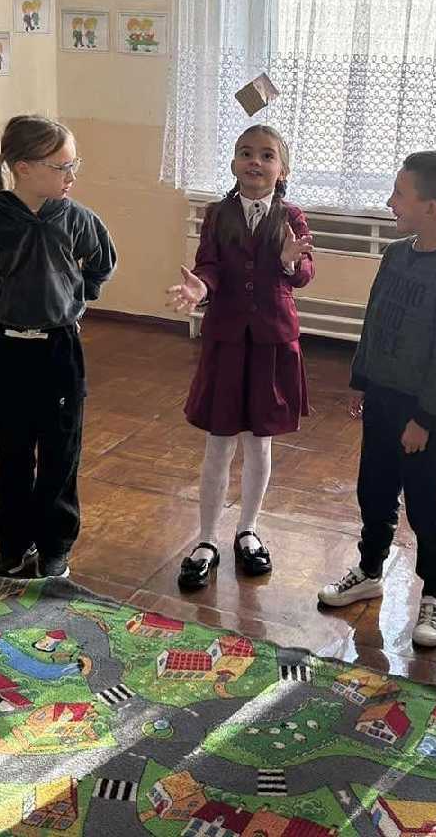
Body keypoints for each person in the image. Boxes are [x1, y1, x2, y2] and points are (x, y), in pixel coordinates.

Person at [0, 116, 116, 582]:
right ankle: (13, 545)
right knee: (12, 453)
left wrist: (76, 299)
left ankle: (55, 546)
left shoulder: (76, 218)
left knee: (61, 453)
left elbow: (102, 262)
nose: (71, 176)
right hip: (9, 353)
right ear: (24, 168)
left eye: (74, 165)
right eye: (62, 167)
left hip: (61, 352)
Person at [317, 151, 436, 648]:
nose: (391, 202)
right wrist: (360, 379)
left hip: (420, 415)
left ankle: (434, 594)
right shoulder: (394, 255)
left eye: (399, 194)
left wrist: (425, 419)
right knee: (373, 489)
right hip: (382, 400)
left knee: (426, 506)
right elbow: (374, 320)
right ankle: (369, 570)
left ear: (431, 207)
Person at [165, 125, 315, 590]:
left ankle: (248, 530)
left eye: (267, 155)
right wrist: (200, 287)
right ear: (233, 164)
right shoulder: (218, 214)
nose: (255, 161)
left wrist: (290, 260)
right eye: (246, 153)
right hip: (227, 340)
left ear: (282, 169)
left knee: (259, 443)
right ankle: (206, 539)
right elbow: (208, 265)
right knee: (219, 442)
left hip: (272, 342)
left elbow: (304, 273)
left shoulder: (292, 216)